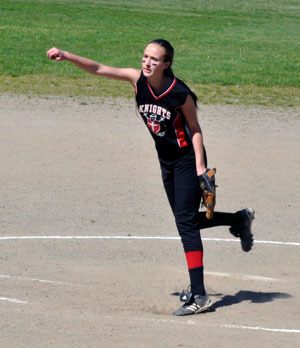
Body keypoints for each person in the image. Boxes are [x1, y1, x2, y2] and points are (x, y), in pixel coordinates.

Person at [47, 39, 255, 316]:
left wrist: (200, 167)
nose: (147, 62)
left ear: (166, 64)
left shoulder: (179, 93)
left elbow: (194, 128)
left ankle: (200, 295)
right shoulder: (137, 81)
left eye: (154, 59)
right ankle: (237, 220)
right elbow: (98, 69)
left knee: (186, 225)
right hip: (166, 161)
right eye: (145, 57)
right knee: (188, 220)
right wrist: (65, 55)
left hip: (186, 161)